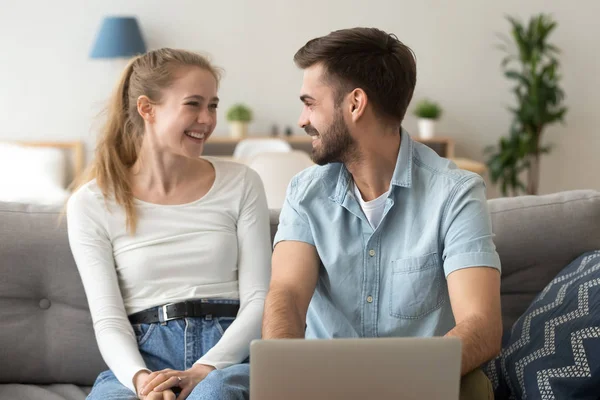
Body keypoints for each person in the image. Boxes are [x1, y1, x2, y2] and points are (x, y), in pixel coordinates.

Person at [209, 27, 503, 399]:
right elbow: (288, 295)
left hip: (420, 387)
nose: (302, 119)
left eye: (310, 103)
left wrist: (395, 383)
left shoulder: (455, 193)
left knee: (474, 389)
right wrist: (286, 372)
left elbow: (481, 325)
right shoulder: (306, 192)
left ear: (355, 103)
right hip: (320, 385)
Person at [66, 48, 271, 400]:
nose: (207, 119)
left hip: (228, 356)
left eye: (213, 105)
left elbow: (258, 298)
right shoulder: (91, 202)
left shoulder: (242, 182)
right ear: (147, 109)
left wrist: (206, 369)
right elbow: (110, 319)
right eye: (193, 104)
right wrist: (141, 380)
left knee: (216, 393)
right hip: (144, 357)